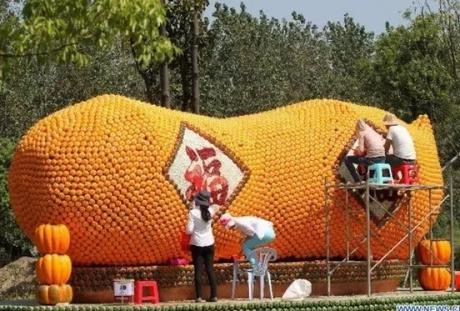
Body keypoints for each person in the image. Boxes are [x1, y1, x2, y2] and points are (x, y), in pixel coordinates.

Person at [185, 191, 219, 303]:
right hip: (209, 243)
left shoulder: (193, 213)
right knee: (210, 269)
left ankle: (199, 297)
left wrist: (192, 208)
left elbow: (189, 231)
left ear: (197, 201)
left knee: (198, 270)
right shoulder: (210, 211)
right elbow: (215, 207)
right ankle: (214, 296)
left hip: (197, 244)